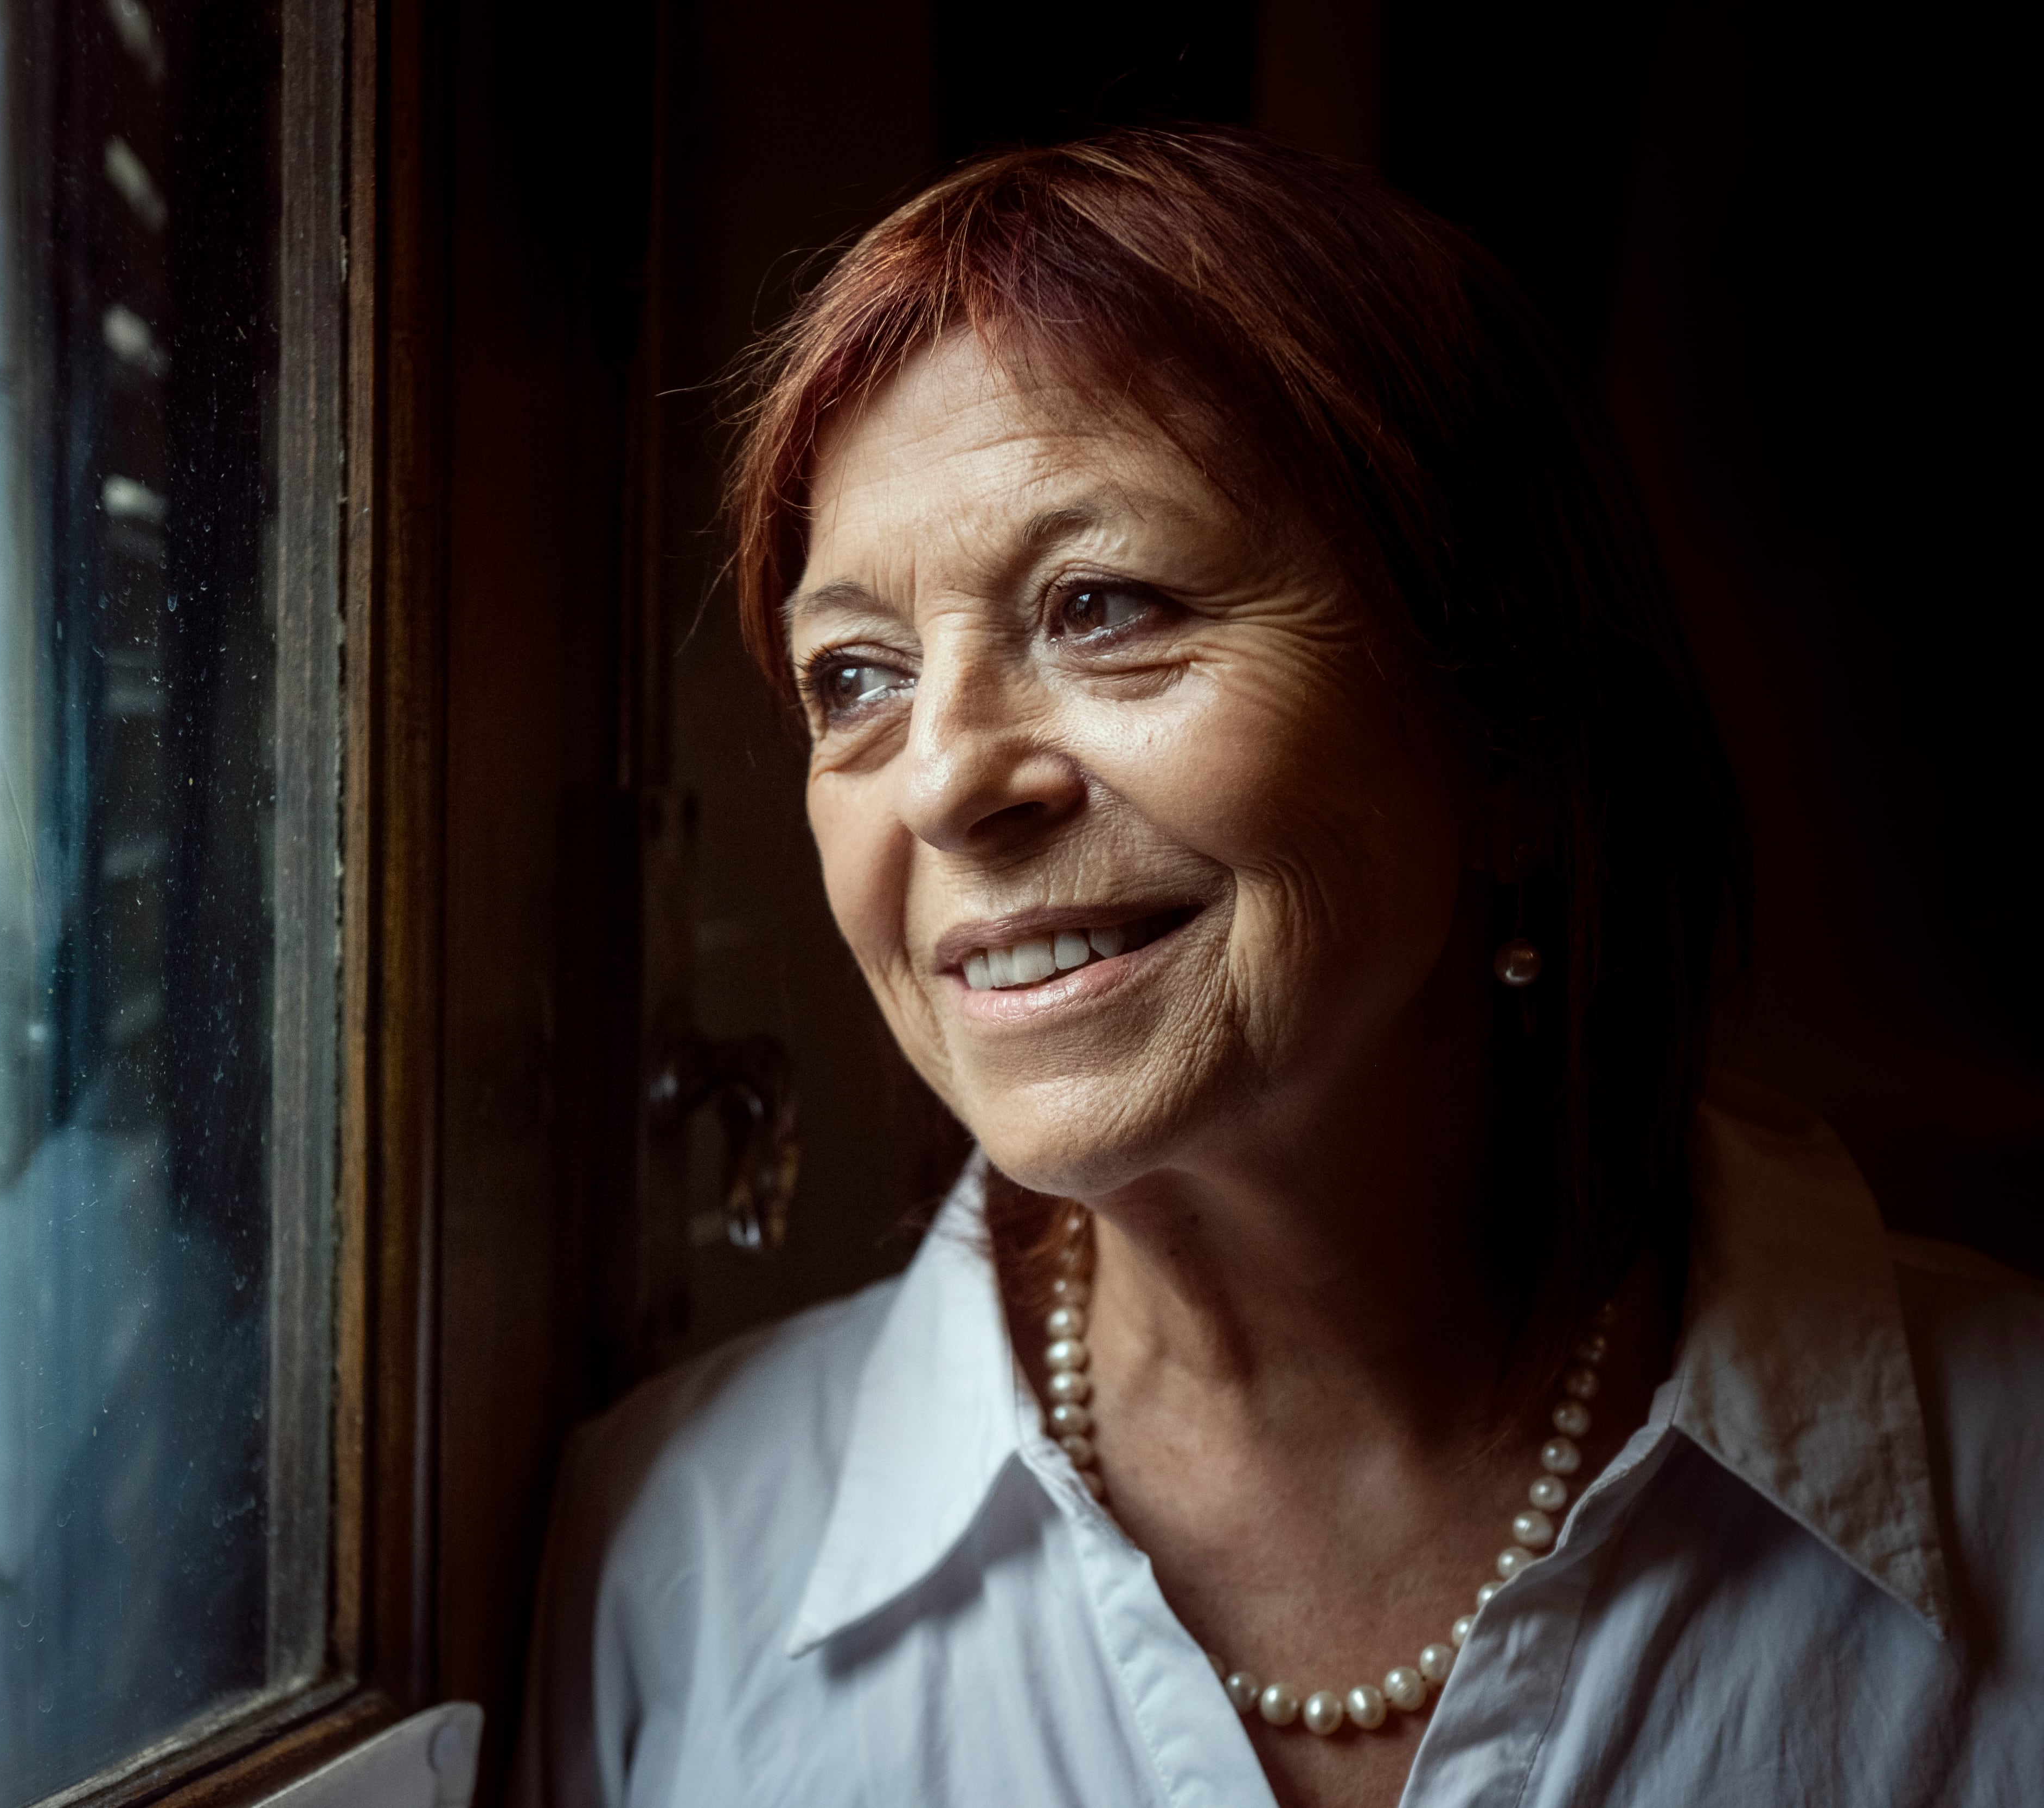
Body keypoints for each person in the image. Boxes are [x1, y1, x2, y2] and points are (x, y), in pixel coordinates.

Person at [509, 129, 2043, 1808]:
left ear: (1507, 733)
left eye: (1102, 605)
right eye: (855, 675)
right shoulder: (678, 1548)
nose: (945, 781)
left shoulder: (2019, 1485)